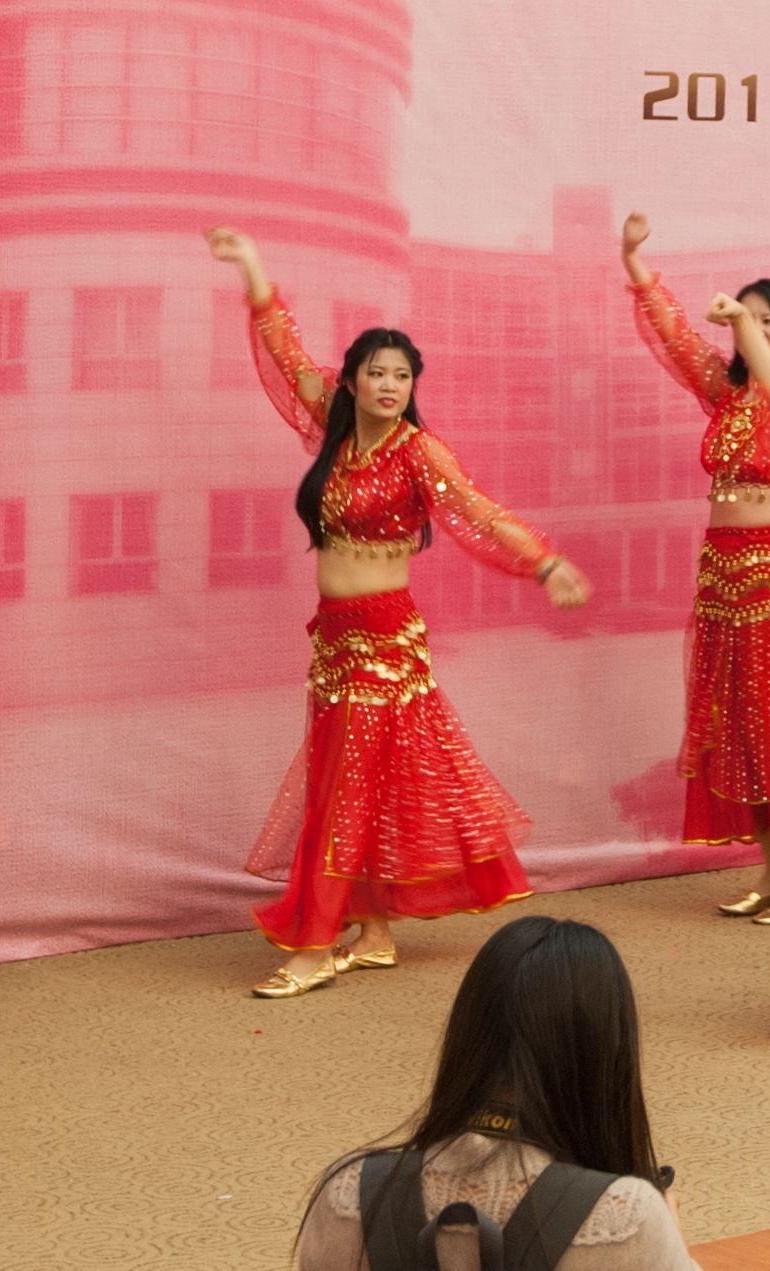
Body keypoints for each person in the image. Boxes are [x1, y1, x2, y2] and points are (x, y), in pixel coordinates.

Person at [207, 228, 592, 999]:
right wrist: (252, 267)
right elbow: (284, 352)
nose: (390, 385)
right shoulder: (334, 430)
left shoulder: (418, 452)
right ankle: (374, 931)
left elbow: (479, 513)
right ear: (351, 381)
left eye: (402, 375)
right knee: (352, 786)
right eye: (377, 372)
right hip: (334, 640)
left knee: (343, 794)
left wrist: (545, 562)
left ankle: (315, 944)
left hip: (384, 641)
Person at [623, 213, 770, 925]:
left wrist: (742, 323)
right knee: (743, 726)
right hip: (722, 581)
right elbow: (678, 339)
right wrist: (636, 265)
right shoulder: (726, 396)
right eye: (747, 317)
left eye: (769, 318)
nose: (754, 327)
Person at [295, 916, 699, 1270]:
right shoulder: (627, 1217)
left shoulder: (348, 1193)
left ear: (466, 1034)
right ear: (606, 1059)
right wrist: (671, 1234)